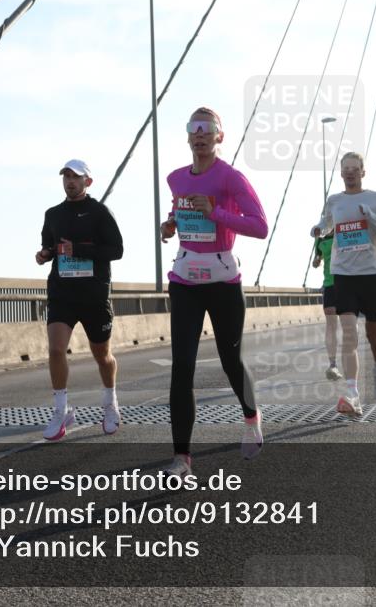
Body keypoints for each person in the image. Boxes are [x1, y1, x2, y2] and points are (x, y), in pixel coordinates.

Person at [158, 107, 268, 478]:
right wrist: (170, 227)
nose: (200, 134)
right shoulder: (175, 179)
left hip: (223, 280)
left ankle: (251, 417)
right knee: (182, 368)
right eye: (194, 128)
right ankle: (181, 459)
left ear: (220, 136)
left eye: (208, 128)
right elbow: (182, 217)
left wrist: (218, 212)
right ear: (188, 137)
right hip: (185, 279)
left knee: (230, 360)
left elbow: (260, 226)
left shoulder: (231, 179)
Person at [36, 159, 124, 441]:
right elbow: (48, 245)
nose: (70, 181)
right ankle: (61, 411)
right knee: (55, 349)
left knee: (102, 356)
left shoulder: (99, 213)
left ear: (88, 182)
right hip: (63, 293)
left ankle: (110, 403)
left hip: (94, 294)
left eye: (76, 177)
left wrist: (81, 250)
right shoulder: (53, 214)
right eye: (66, 177)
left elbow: (117, 250)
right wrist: (44, 255)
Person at [311, 152, 376, 416]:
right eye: (345, 169)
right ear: (341, 173)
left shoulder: (375, 199)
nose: (350, 172)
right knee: (349, 334)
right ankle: (352, 394)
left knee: (374, 336)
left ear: (363, 172)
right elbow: (326, 224)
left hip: (371, 276)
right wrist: (318, 228)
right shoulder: (334, 201)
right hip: (343, 275)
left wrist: (371, 216)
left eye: (355, 168)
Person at [312, 231, 343, 380]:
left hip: (346, 284)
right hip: (329, 285)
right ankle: (333, 364)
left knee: (349, 325)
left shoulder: (344, 231)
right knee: (331, 326)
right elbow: (316, 260)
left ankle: (350, 361)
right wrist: (316, 262)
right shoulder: (320, 240)